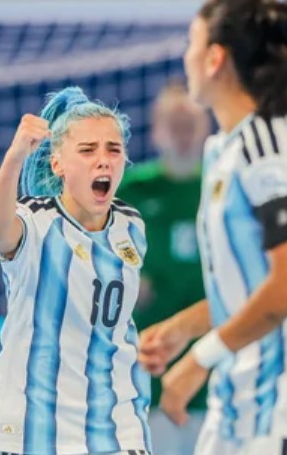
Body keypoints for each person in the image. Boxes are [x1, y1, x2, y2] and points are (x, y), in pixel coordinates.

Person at [138, 0, 287, 455]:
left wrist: (200, 357)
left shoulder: (270, 147)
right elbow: (248, 287)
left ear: (215, 58)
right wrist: (181, 329)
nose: (185, 56)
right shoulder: (225, 152)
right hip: (238, 413)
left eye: (190, 42)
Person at [0, 87, 152, 455]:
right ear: (58, 164)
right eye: (88, 150)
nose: (103, 160)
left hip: (116, 426)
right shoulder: (35, 222)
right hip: (34, 428)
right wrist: (14, 158)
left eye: (114, 149)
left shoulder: (131, 227)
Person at [116, 81, 210, 455]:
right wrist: (125, 281)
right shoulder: (131, 192)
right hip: (148, 375)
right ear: (156, 131)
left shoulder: (223, 188)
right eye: (174, 125)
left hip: (219, 369)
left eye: (190, 124)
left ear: (205, 129)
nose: (183, 135)